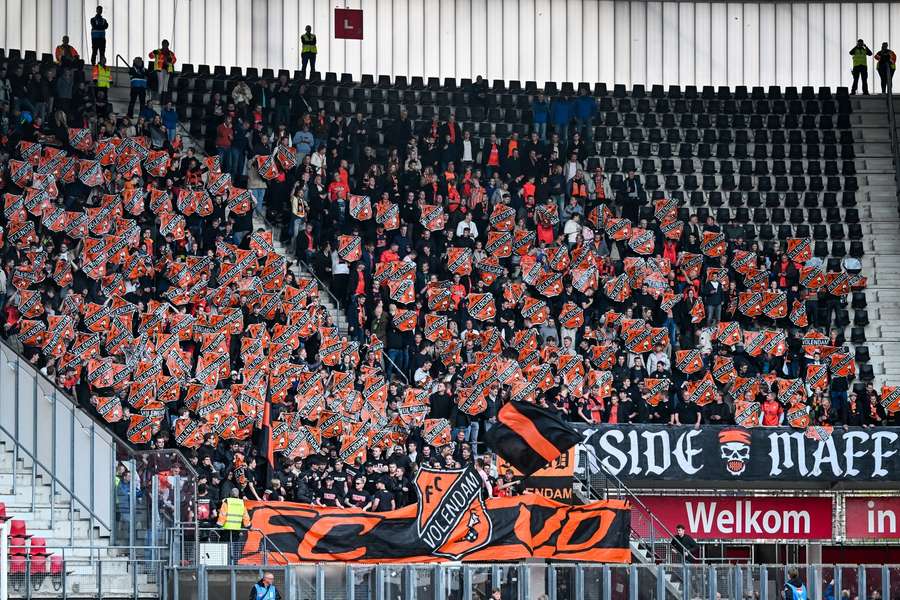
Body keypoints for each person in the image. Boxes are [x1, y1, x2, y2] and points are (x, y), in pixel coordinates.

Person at [217, 488, 250, 562]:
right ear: (238, 495)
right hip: (236, 529)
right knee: (235, 547)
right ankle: (234, 564)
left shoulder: (227, 501)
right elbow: (245, 515)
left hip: (227, 528)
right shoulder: (241, 502)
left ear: (230, 494)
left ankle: (225, 563)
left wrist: (219, 524)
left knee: (225, 546)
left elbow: (223, 513)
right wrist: (248, 525)